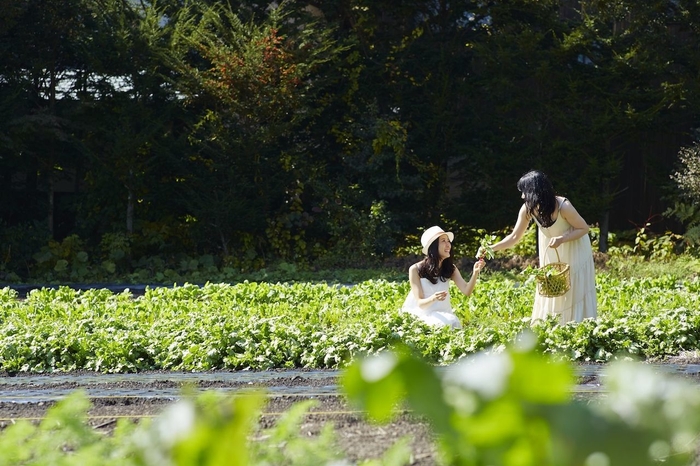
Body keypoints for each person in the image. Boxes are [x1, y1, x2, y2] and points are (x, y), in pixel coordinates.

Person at [481, 170, 597, 324]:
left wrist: (562, 239)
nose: (522, 196)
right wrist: (490, 248)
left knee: (574, 288)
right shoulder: (527, 209)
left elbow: (583, 228)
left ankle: (577, 325)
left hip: (574, 247)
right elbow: (514, 237)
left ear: (534, 192)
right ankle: (553, 325)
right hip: (552, 249)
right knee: (553, 287)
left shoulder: (563, 206)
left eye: (524, 192)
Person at [401, 226, 486, 329]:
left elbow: (466, 291)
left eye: (448, 241)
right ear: (433, 246)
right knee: (443, 325)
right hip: (424, 314)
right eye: (443, 241)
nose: (448, 245)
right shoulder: (415, 269)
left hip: (444, 314)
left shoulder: (451, 268)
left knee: (451, 323)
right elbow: (420, 304)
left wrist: (475, 272)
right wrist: (434, 298)